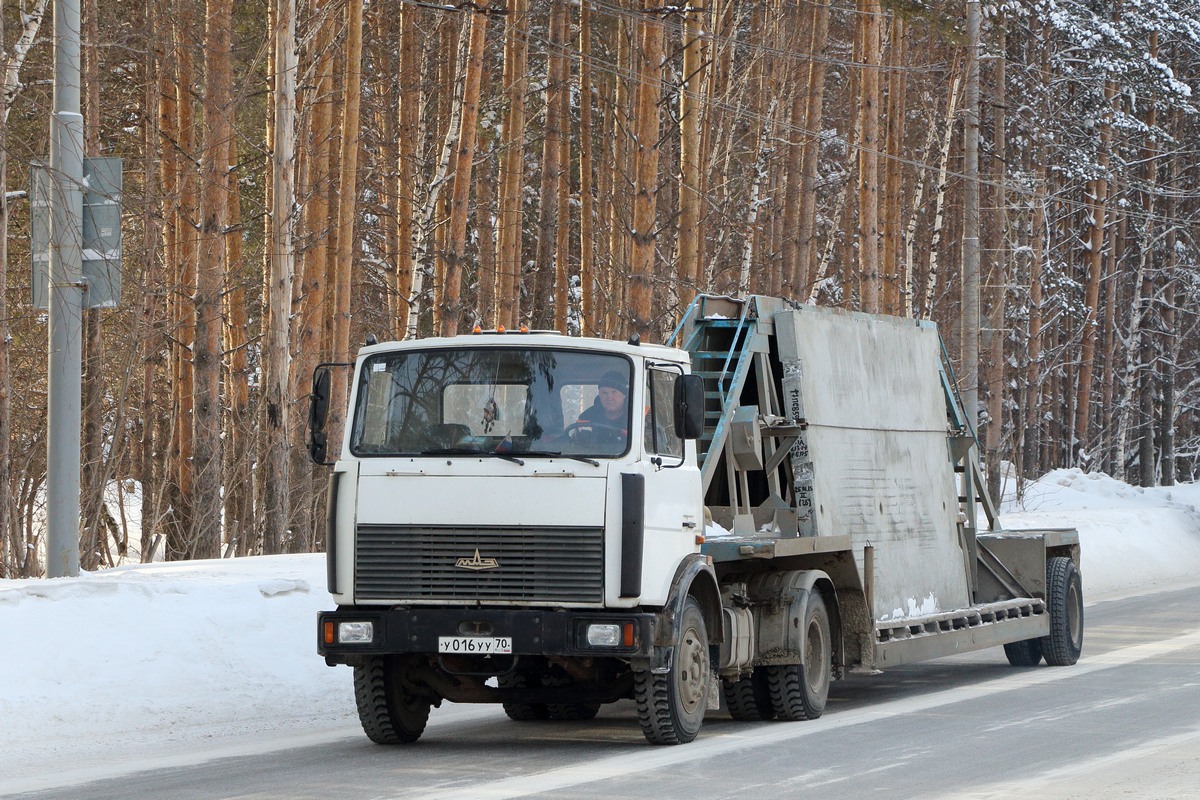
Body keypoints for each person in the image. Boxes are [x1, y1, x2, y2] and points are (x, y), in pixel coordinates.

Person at [570, 370, 629, 446]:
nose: (609, 397)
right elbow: (574, 448)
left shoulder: (639, 418)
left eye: (614, 392)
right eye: (605, 393)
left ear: (624, 394)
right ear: (599, 394)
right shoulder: (585, 419)